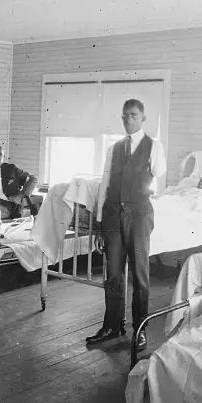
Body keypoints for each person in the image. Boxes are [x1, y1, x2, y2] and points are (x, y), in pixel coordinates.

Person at [86, 99, 166, 352]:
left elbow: (158, 174)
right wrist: (99, 224)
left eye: (133, 115)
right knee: (113, 275)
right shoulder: (115, 148)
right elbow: (105, 184)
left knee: (140, 276)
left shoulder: (154, 146)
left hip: (139, 215)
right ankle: (112, 325)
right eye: (124, 116)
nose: (128, 120)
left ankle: (140, 330)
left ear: (143, 118)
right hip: (112, 216)